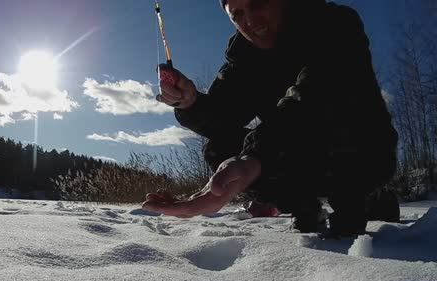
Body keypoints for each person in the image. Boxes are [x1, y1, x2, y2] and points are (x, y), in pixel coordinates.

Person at [143, 0, 400, 237]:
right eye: (238, 14)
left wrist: (255, 156)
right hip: (296, 154)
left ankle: (364, 199)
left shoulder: (335, 24)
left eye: (258, 4)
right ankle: (304, 207)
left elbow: (312, 97)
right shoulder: (244, 59)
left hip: (364, 149)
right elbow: (223, 115)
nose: (251, 21)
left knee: (342, 145)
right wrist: (190, 102)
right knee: (220, 147)